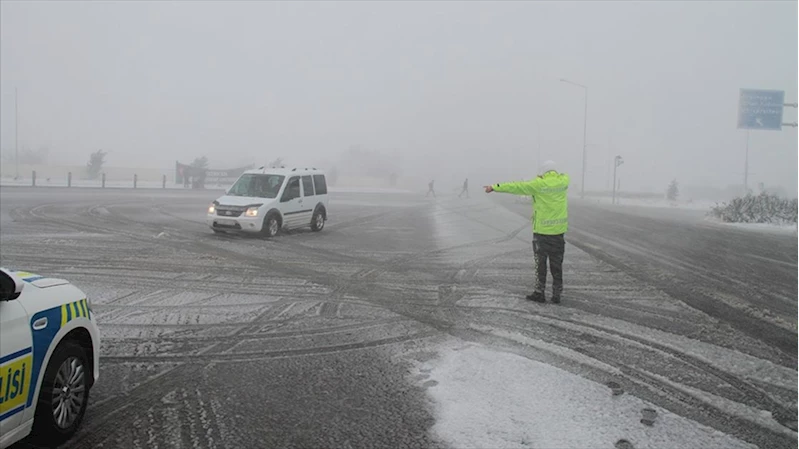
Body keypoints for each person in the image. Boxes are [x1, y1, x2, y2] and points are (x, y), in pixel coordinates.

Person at [484, 160, 569, 304]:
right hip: (558, 233)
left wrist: (494, 187)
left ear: (542, 173)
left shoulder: (538, 185)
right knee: (557, 264)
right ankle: (556, 294)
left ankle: (539, 292)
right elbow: (564, 176)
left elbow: (516, 186)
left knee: (540, 264)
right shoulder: (563, 182)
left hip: (542, 233)